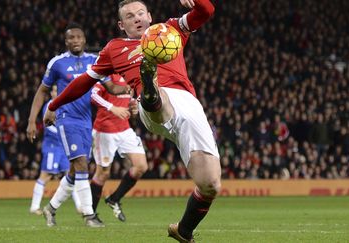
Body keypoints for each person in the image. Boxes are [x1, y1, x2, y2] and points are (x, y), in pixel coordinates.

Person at [44, 0, 221, 241]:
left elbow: (206, 11)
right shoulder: (113, 49)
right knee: (159, 99)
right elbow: (84, 82)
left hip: (189, 105)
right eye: (129, 16)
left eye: (140, 13)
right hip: (154, 107)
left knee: (210, 184)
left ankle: (183, 230)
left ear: (149, 16)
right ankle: (149, 86)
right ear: (121, 25)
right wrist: (53, 105)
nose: (136, 18)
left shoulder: (169, 29)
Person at [26, 23, 124, 228]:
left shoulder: (94, 62)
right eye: (71, 38)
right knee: (81, 165)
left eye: (79, 37)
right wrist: (31, 121)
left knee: (75, 170)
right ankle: (89, 215)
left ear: (84, 39)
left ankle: (50, 208)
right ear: (66, 41)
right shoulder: (57, 63)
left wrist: (131, 85)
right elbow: (42, 91)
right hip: (65, 118)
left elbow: (112, 88)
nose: (75, 40)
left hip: (86, 121)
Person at [90, 74, 147, 222]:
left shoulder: (129, 77)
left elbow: (130, 101)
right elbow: (93, 95)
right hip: (105, 130)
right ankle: (91, 214)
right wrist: (111, 107)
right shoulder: (107, 76)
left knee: (141, 166)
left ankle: (114, 199)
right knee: (103, 174)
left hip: (124, 129)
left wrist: (134, 108)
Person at [29, 85, 76, 215]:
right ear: (51, 93)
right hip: (52, 147)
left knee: (71, 174)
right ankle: (34, 207)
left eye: (58, 90)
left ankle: (81, 206)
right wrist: (65, 133)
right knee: (46, 175)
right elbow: (47, 126)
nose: (57, 92)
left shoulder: (65, 104)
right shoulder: (49, 106)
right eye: (55, 90)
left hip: (62, 147)